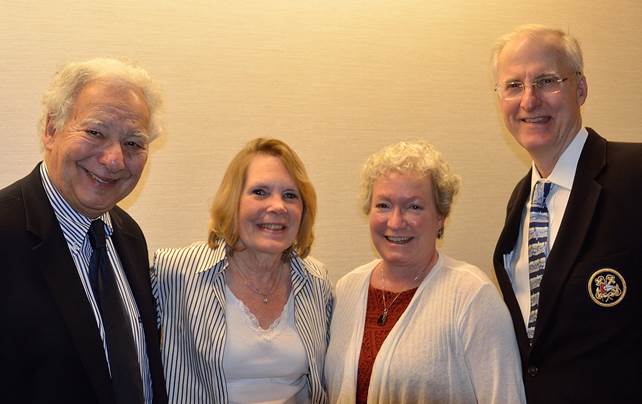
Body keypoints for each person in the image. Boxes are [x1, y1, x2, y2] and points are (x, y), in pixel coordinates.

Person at [0, 58, 168, 403]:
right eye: (95, 132)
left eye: (133, 143)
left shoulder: (128, 236)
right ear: (51, 130)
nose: (114, 160)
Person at [492, 24, 642, 403]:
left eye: (545, 81)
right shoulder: (519, 202)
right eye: (513, 86)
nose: (528, 100)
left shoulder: (635, 174)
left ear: (580, 88)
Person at [324, 140, 525, 403]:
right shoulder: (346, 289)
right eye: (383, 205)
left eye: (414, 207)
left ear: (440, 216)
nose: (395, 222)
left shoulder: (472, 296)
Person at [153, 138, 333, 403]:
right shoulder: (174, 271)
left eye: (290, 195)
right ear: (232, 201)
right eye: (260, 192)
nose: (277, 206)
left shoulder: (317, 281)